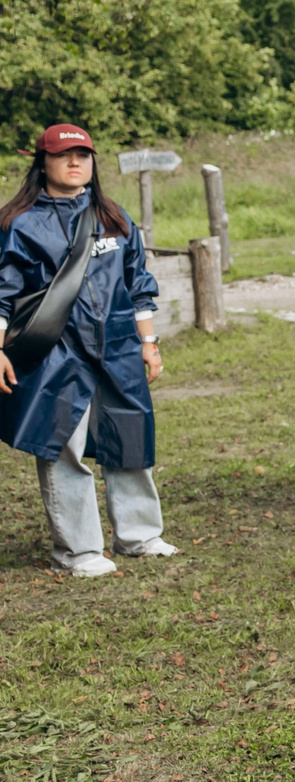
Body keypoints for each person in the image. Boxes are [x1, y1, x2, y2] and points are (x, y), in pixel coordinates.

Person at [0, 126, 172, 575]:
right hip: (55, 351)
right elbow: (3, 293)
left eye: (83, 154)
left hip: (118, 346)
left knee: (129, 435)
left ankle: (139, 535)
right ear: (43, 164)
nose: (75, 162)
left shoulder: (114, 218)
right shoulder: (19, 224)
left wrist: (149, 343)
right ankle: (77, 552)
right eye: (63, 155)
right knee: (63, 445)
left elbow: (138, 285)